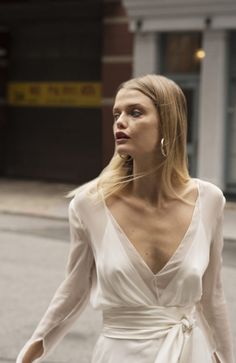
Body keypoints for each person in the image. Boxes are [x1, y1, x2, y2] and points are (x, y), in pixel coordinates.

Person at [16, 74, 235, 363]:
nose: (120, 122)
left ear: (167, 122)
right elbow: (74, 290)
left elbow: (211, 296)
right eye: (116, 114)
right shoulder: (89, 206)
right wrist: (31, 352)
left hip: (189, 354)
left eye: (135, 112)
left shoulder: (209, 201)